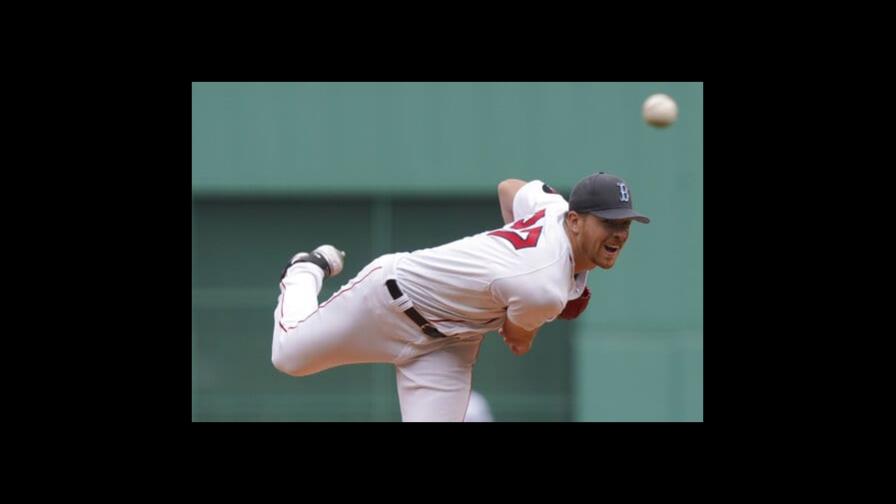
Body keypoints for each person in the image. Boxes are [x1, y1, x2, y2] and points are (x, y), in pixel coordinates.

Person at [271, 171, 650, 421]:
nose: (619, 233)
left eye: (625, 223)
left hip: (449, 347)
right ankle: (305, 269)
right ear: (575, 220)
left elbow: (508, 187)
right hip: (392, 301)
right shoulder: (543, 285)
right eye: (608, 222)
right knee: (289, 356)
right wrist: (522, 283)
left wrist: (508, 265)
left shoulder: (553, 209)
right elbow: (518, 340)